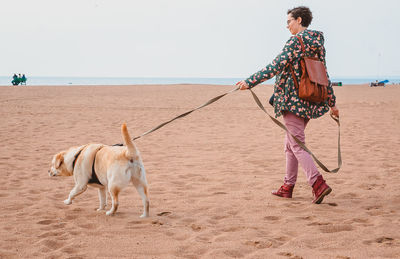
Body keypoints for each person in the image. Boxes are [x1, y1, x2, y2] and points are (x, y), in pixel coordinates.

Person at [236, 6, 339, 204]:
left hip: (293, 100)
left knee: (297, 144)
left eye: (289, 21)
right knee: (290, 144)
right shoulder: (318, 43)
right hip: (311, 99)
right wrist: (332, 103)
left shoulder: (295, 41)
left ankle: (318, 184)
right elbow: (324, 73)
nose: (287, 26)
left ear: (299, 20)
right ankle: (287, 186)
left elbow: (275, 66)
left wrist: (250, 82)